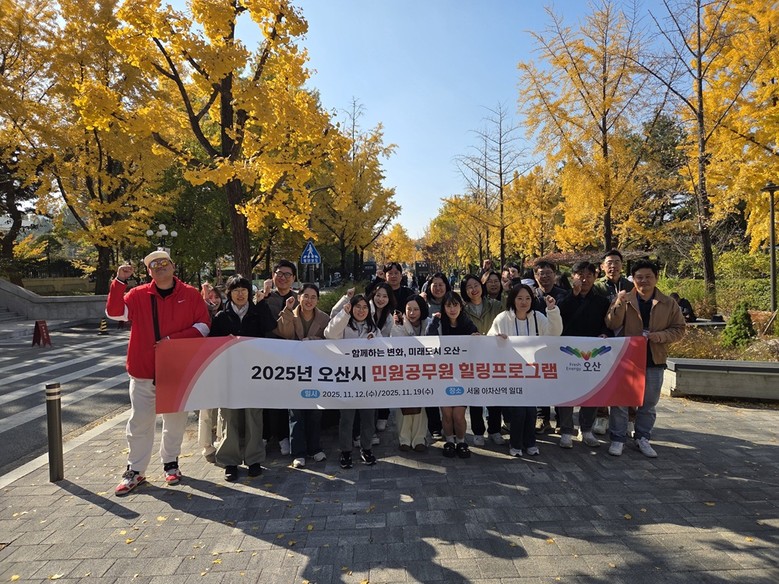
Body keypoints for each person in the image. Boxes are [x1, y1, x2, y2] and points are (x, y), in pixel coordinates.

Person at [106, 250, 211, 496]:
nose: (160, 266)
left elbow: (204, 326)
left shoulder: (190, 294)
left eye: (164, 262)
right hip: (144, 370)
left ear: (173, 266)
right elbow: (114, 313)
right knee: (140, 421)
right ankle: (135, 469)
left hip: (176, 369)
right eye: (154, 264)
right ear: (149, 272)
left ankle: (171, 463)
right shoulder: (138, 294)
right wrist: (119, 281)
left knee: (175, 421)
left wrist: (172, 341)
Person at [605, 260, 686, 458]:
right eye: (639, 277)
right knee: (620, 401)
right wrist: (619, 303)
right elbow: (611, 323)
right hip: (626, 359)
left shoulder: (668, 303)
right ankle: (617, 438)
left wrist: (661, 336)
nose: (644, 281)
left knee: (648, 403)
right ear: (633, 279)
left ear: (656, 278)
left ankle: (643, 437)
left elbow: (679, 329)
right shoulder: (625, 299)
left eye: (648, 277)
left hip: (654, 358)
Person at [210, 274, 276, 481]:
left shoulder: (257, 313)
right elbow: (211, 344)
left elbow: (270, 327)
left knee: (253, 416)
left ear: (249, 292)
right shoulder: (221, 317)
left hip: (253, 373)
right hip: (228, 374)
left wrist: (262, 303)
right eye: (236, 290)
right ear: (229, 293)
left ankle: (254, 459)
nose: (240, 294)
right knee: (229, 416)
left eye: (244, 290)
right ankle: (230, 461)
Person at [488, 283, 562, 457]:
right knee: (519, 410)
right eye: (520, 298)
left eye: (528, 298)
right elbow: (490, 339)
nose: (524, 302)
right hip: (510, 374)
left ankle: (530, 443)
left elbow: (554, 334)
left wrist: (552, 310)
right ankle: (515, 445)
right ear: (513, 299)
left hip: (532, 374)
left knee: (530, 410)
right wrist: (497, 339)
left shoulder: (538, 317)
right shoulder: (502, 318)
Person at [556, 261, 612, 449]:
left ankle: (586, 429)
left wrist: (604, 333)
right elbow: (558, 315)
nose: (585, 279)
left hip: (591, 355)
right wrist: (573, 294)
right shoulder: (563, 297)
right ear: (573, 277)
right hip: (567, 353)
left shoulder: (602, 301)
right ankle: (566, 431)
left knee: (591, 392)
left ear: (595, 277)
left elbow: (607, 324)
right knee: (566, 392)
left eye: (589, 275)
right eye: (580, 275)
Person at [275, 283, 331, 468]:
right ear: (299, 297)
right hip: (293, 371)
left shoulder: (324, 318)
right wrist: (287, 310)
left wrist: (311, 341)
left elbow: (329, 340)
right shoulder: (290, 314)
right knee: (295, 412)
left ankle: (315, 448)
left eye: (313, 297)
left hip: (315, 371)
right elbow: (284, 333)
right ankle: (298, 452)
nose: (309, 300)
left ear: (318, 300)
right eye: (305, 296)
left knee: (315, 412)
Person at [324, 292, 382, 469]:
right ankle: (345, 451)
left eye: (365, 307)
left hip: (368, 382)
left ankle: (367, 448)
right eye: (358, 307)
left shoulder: (373, 329)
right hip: (347, 380)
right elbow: (329, 334)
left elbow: (382, 351)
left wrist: (374, 341)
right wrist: (344, 313)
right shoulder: (344, 325)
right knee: (347, 419)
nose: (361, 311)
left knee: (368, 418)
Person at [426, 291, 479, 459]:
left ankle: (461, 442)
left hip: (463, 376)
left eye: (455, 305)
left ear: (461, 307)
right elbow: (428, 339)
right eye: (448, 306)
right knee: (447, 414)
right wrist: (434, 321)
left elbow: (477, 344)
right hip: (443, 375)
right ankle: (449, 441)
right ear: (443, 307)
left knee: (458, 415)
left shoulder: (467, 324)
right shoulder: (438, 323)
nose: (452, 309)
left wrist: (478, 338)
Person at [592, 250, 635, 436]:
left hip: (627, 338)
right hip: (605, 337)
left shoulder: (631, 285)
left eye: (617, 262)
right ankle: (602, 416)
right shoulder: (597, 287)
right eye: (609, 262)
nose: (613, 266)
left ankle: (630, 418)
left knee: (628, 379)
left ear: (622, 265)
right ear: (602, 266)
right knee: (603, 378)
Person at [460, 274, 505, 447]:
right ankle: (478, 431)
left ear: (482, 286)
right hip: (472, 359)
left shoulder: (496, 305)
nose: (474, 289)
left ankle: (495, 430)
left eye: (476, 285)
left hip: (494, 357)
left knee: (494, 394)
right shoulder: (462, 309)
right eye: (469, 287)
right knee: (475, 395)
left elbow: (505, 323)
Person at [263, 259, 298, 456]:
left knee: (288, 398)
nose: (283, 278)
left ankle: (286, 436)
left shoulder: (299, 299)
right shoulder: (264, 298)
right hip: (268, 355)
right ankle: (268, 435)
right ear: (273, 276)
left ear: (294, 278)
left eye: (287, 274)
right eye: (279, 274)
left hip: (293, 356)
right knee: (269, 398)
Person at [390, 294, 432, 452]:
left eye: (416, 309)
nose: (412, 313)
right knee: (404, 406)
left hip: (424, 371)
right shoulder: (398, 325)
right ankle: (404, 439)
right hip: (404, 371)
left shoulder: (429, 323)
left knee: (421, 406)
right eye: (409, 309)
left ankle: (419, 438)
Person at [532, 260, 568, 433]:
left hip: (559, 345)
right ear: (535, 276)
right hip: (538, 346)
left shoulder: (564, 295)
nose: (545, 276)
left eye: (548, 273)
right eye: (541, 273)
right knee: (540, 382)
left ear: (555, 275)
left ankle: (561, 419)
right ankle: (542, 417)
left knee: (559, 383)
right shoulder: (531, 295)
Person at [418, 272, 450, 441]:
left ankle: (449, 425)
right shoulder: (423, 303)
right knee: (430, 391)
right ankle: (435, 427)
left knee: (448, 391)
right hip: (428, 354)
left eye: (441, 284)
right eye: (434, 285)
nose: (438, 288)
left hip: (450, 354)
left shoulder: (452, 302)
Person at [198, 282, 224, 463]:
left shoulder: (225, 316)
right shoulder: (200, 315)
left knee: (222, 407)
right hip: (205, 367)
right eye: (210, 297)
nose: (214, 300)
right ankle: (206, 445)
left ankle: (221, 441)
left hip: (222, 366)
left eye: (217, 297)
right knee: (206, 408)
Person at [368, 282, 396, 431]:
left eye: (385, 296)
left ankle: (383, 415)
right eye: (378, 295)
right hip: (364, 356)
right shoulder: (365, 309)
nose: (381, 299)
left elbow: (389, 338)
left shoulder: (389, 317)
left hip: (380, 357)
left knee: (383, 384)